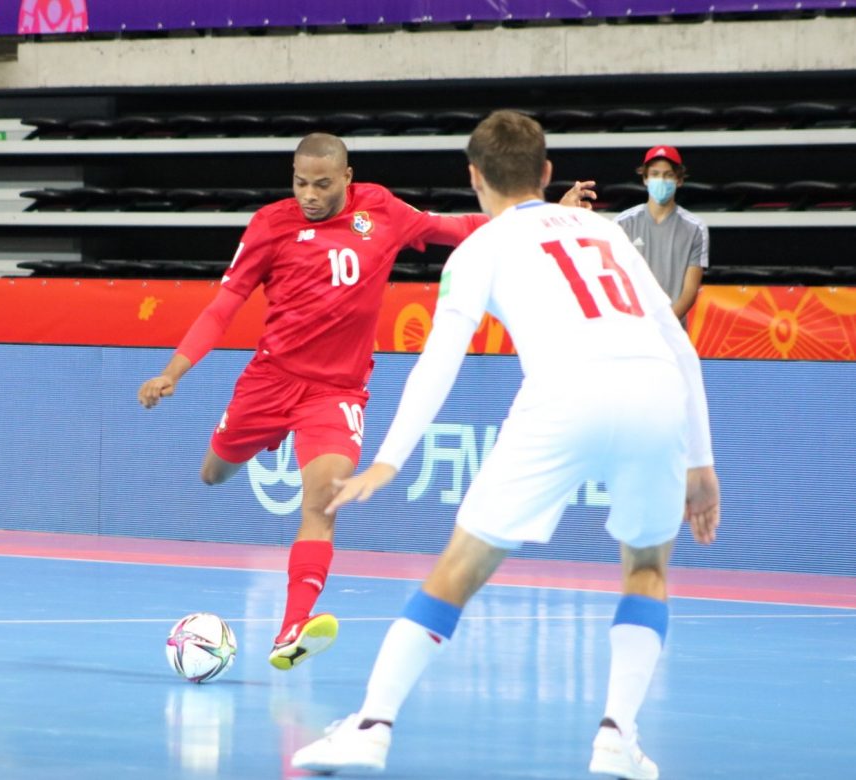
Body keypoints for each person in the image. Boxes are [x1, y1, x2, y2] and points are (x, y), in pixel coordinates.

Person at [290, 112, 720, 779]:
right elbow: (677, 341)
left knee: (458, 569)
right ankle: (616, 736)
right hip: (656, 394)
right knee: (647, 568)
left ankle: (371, 727)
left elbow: (441, 358)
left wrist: (390, 458)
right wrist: (703, 461)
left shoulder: (478, 249)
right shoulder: (606, 230)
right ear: (547, 174)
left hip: (565, 394)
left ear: (473, 177)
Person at [138, 132, 597, 671]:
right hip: (269, 381)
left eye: (322, 184)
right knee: (213, 474)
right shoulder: (270, 224)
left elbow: (458, 228)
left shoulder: (380, 209)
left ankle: (292, 630)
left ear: (347, 178)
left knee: (322, 503)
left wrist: (540, 216)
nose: (309, 194)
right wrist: (174, 371)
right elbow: (223, 306)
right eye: (300, 182)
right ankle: (266, 438)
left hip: (334, 393)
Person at [614, 145, 709, 322]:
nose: (661, 180)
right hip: (633, 328)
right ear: (645, 179)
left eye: (668, 175)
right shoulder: (622, 223)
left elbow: (689, 292)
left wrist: (665, 325)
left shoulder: (696, 228)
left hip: (673, 332)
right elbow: (616, 280)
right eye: (655, 174)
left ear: (679, 180)